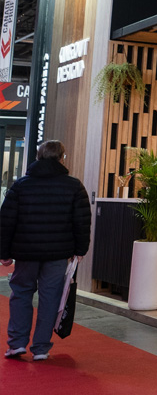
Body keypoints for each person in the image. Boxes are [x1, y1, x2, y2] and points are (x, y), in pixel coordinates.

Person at [2, 140, 91, 361]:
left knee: (21, 293)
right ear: (62, 158)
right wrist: (80, 249)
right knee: (50, 297)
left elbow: (6, 221)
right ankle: (41, 348)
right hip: (58, 253)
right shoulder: (73, 186)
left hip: (26, 252)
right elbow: (81, 221)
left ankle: (16, 344)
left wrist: (4, 253)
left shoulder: (21, 185)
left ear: (38, 156)